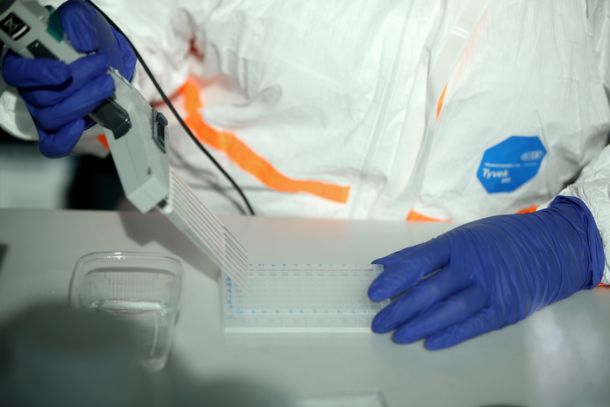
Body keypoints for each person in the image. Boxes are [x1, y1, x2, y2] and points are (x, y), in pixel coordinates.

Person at [1, 0, 609, 349]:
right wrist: (108, 37)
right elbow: (141, 17)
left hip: (492, 301)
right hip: (199, 253)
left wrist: (582, 234)